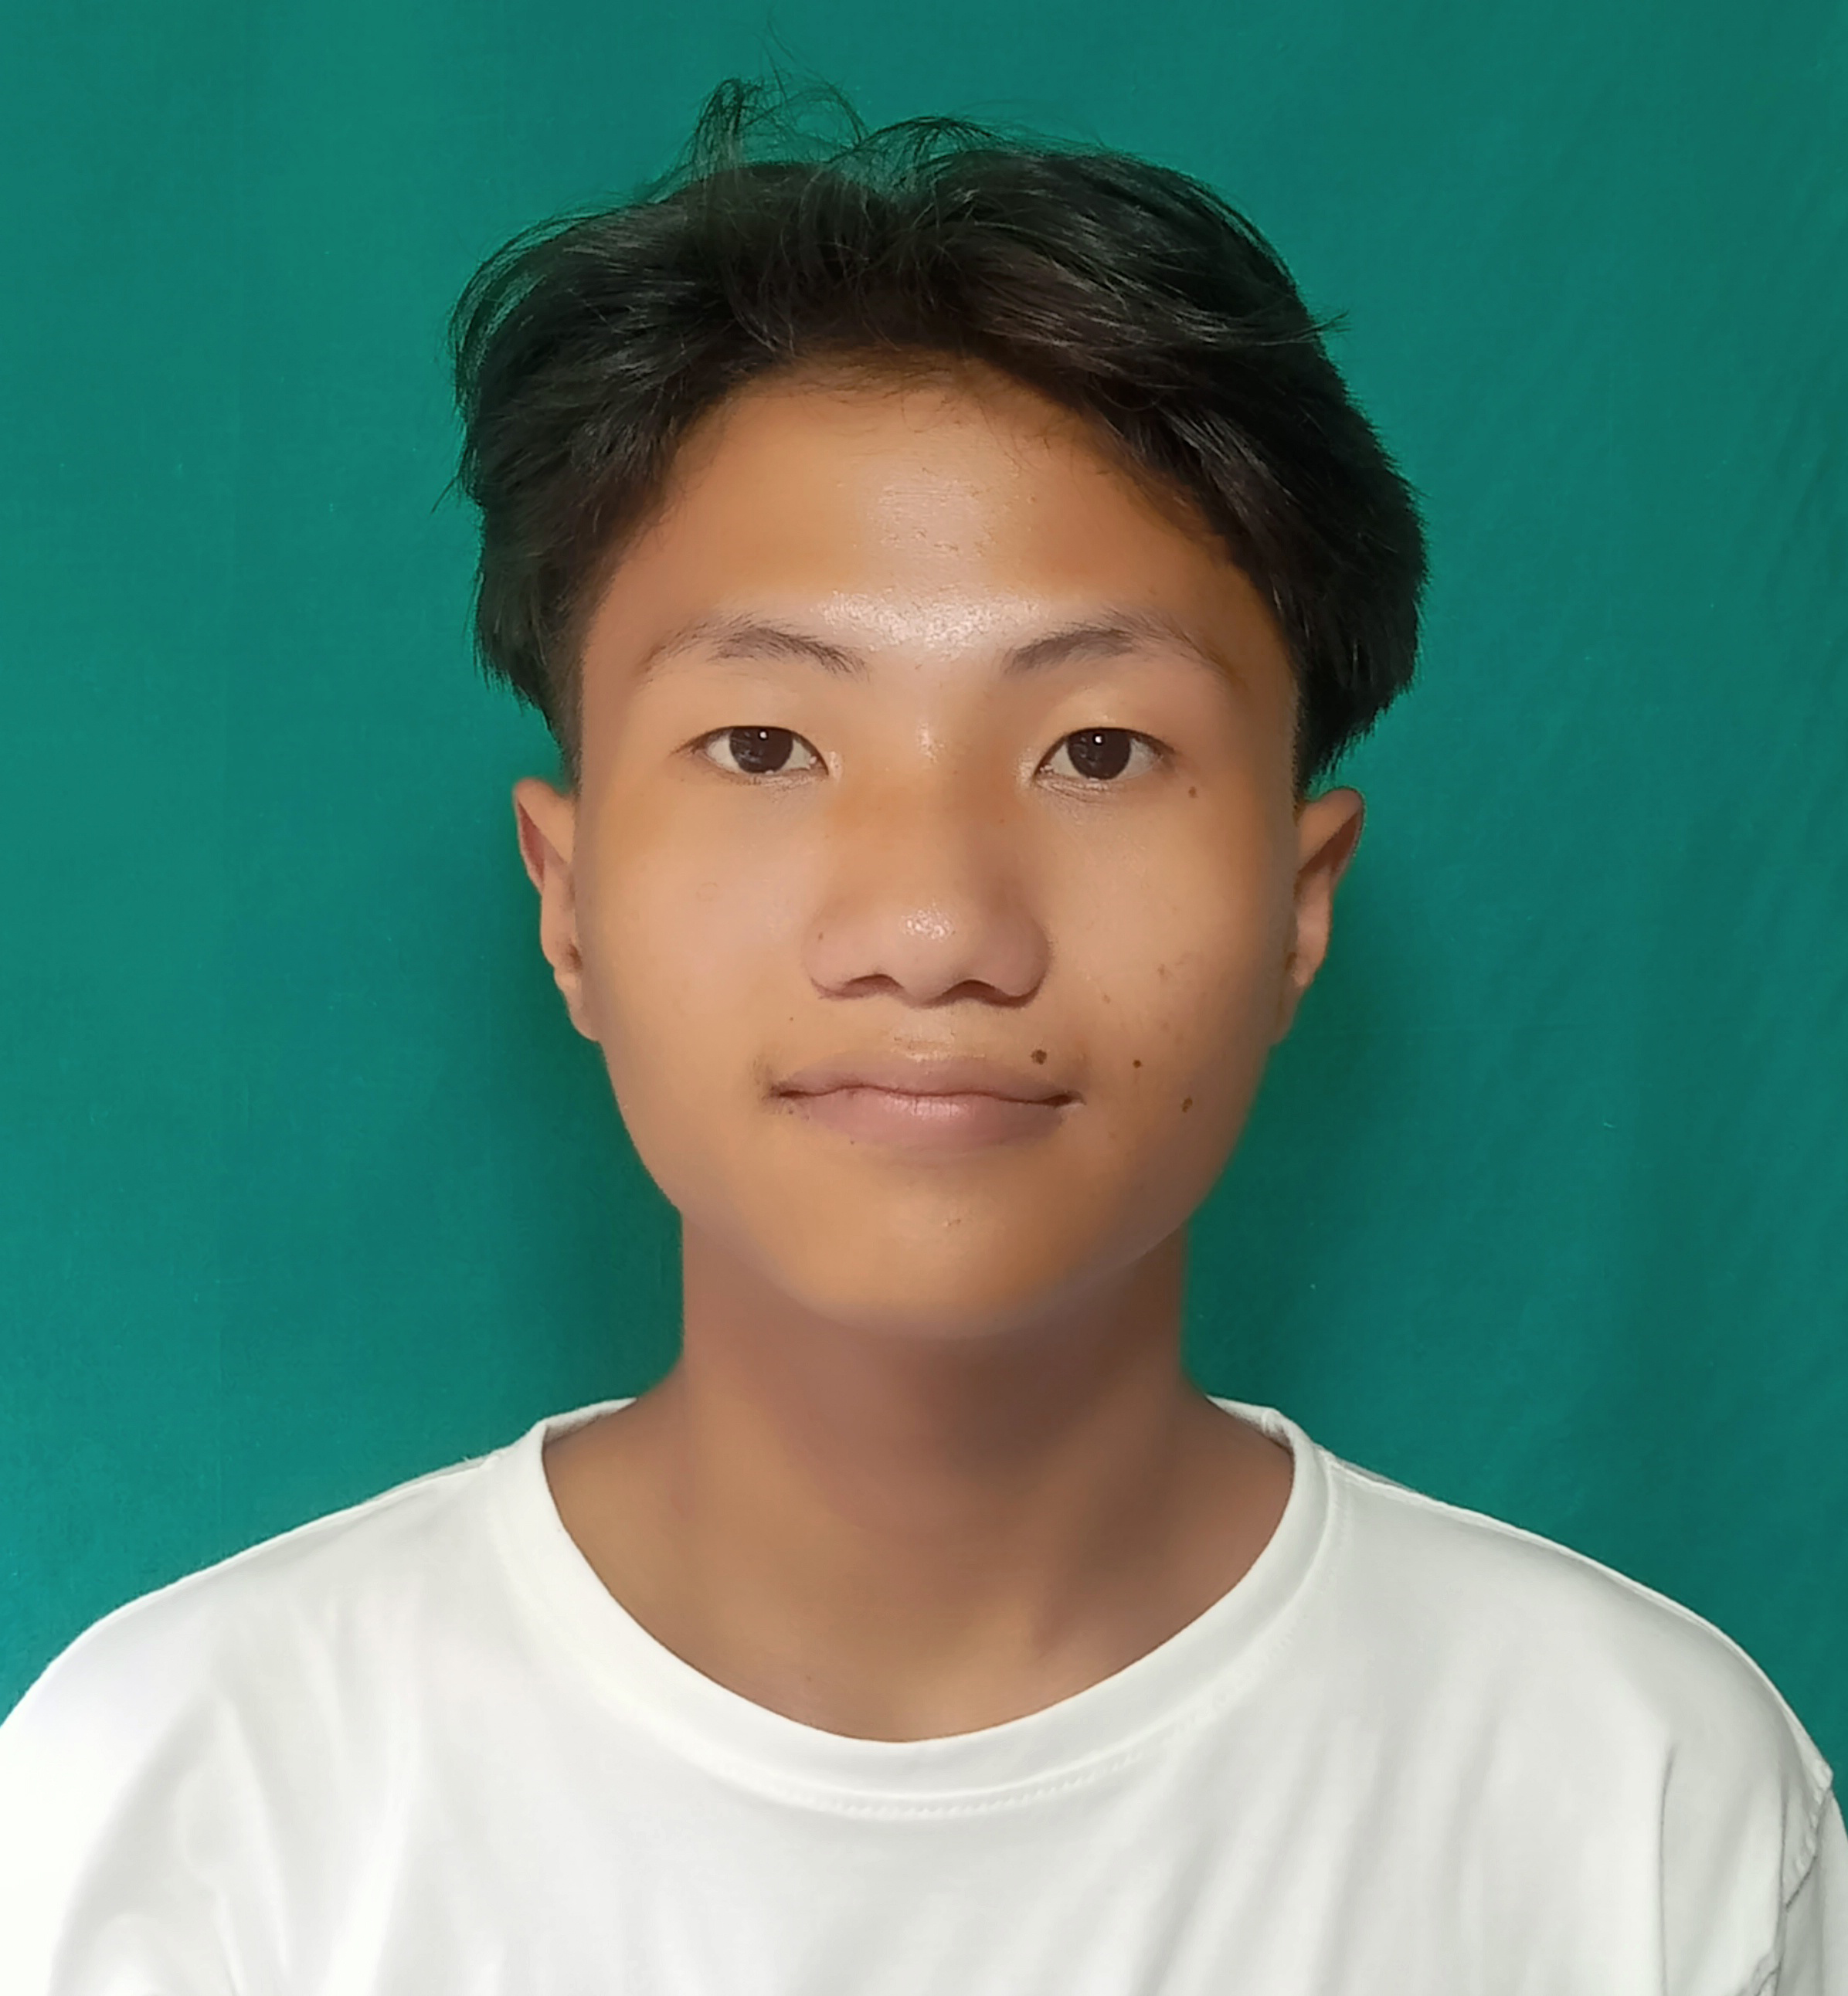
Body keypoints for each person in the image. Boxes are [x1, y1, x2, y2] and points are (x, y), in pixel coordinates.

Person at [2, 76, 1841, 1994]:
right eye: (764, 743)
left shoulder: (1634, 1807)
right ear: (568, 898)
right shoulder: (176, 1811)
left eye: (1097, 749)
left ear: (1297, 906)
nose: (935, 927)